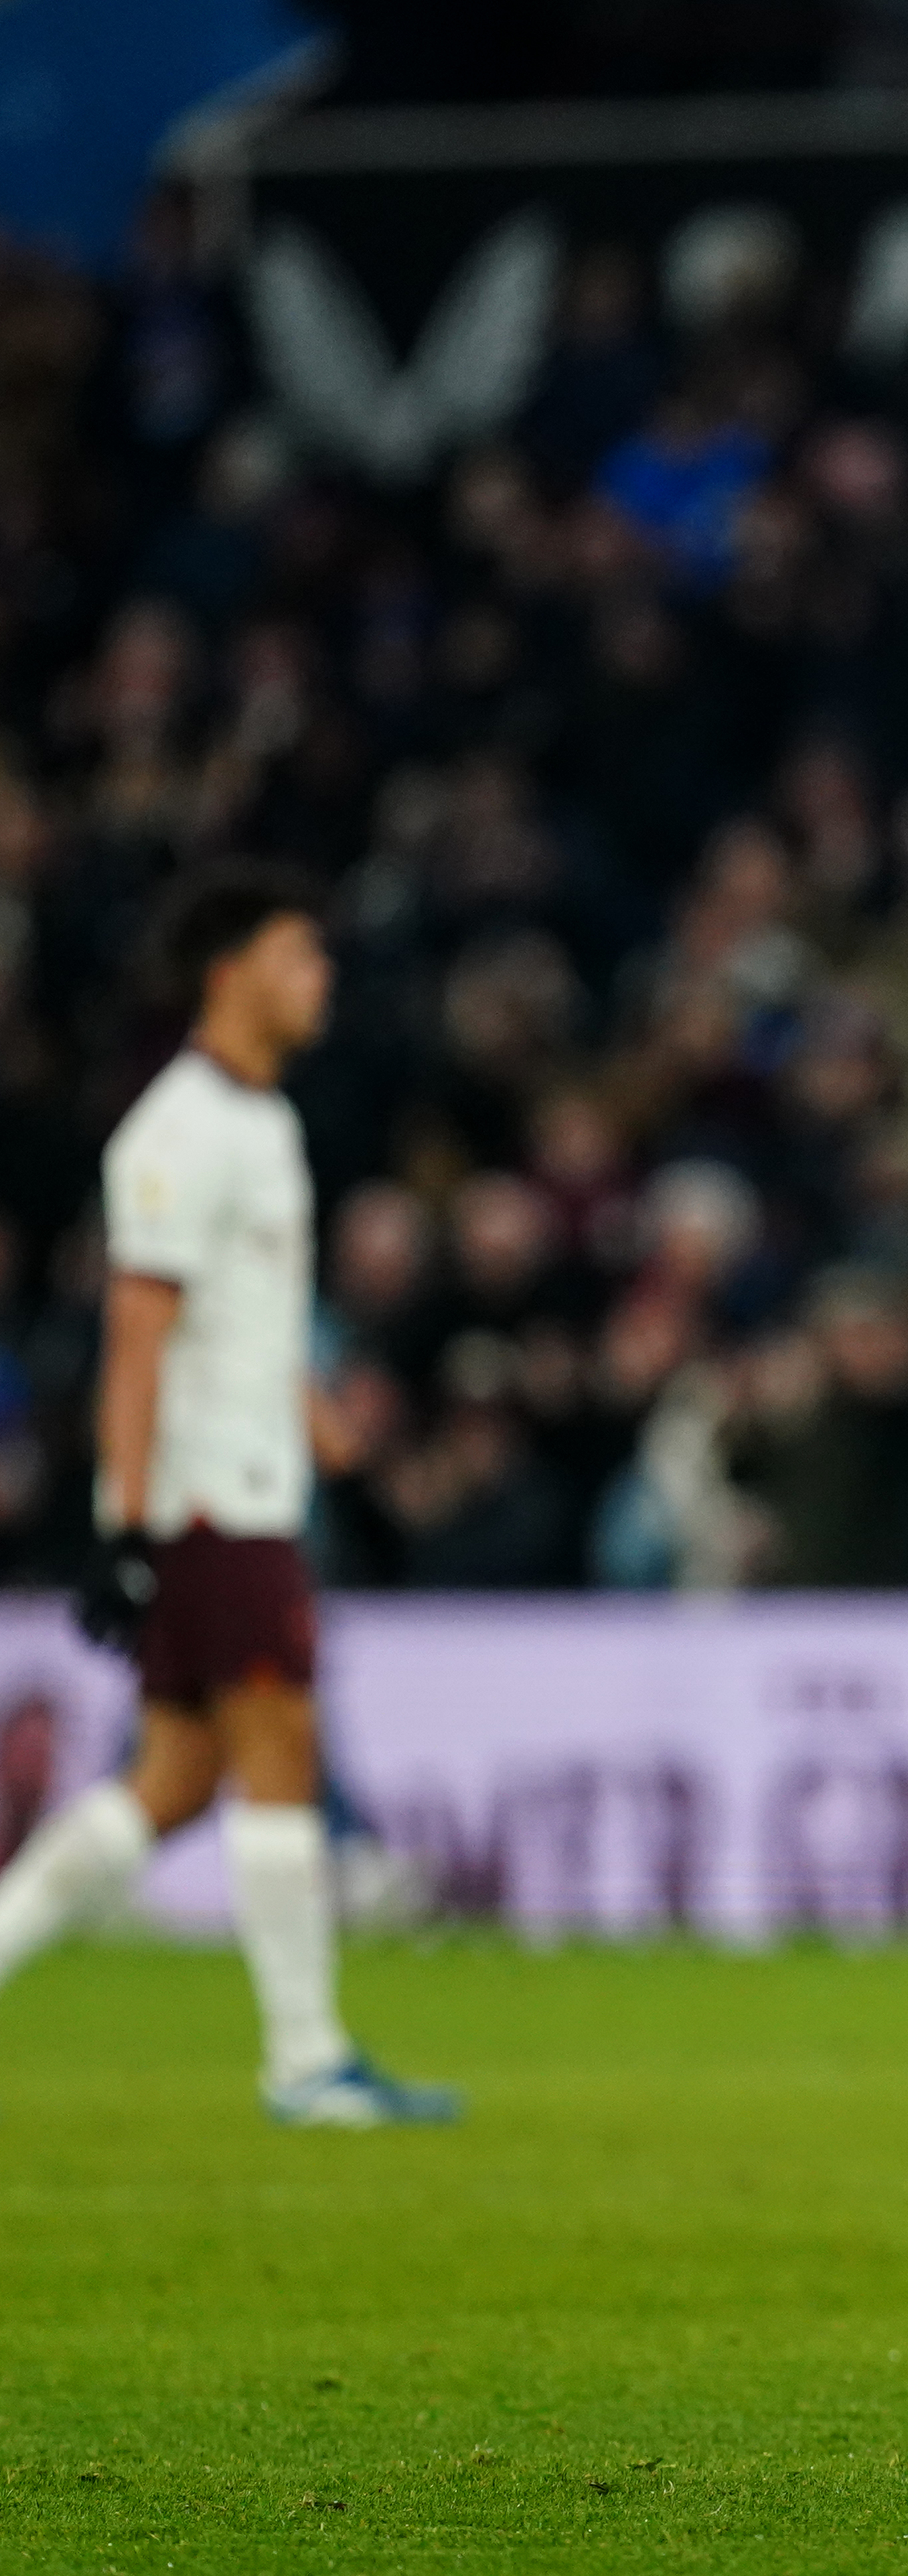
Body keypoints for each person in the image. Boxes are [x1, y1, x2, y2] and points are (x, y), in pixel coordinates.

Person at [0, 867, 456, 2126]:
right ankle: (306, 2062)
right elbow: (138, 1339)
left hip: (256, 1485)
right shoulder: (179, 1133)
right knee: (280, 1748)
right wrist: (122, 1523)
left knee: (178, 1779)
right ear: (229, 974)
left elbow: (261, 1333)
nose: (321, 980)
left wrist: (344, 1456)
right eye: (298, 957)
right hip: (209, 1504)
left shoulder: (263, 1123)